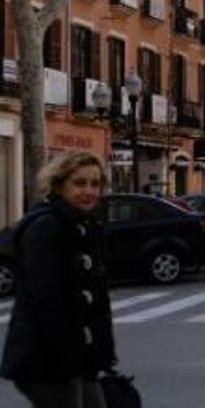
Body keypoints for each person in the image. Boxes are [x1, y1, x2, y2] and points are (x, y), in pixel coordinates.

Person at [1, 152, 117, 408]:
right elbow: (46, 301)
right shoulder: (46, 226)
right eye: (79, 183)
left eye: (95, 184)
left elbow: (96, 299)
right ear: (59, 184)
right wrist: (70, 360)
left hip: (78, 359)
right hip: (45, 361)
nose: (89, 191)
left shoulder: (85, 225)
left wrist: (102, 353)